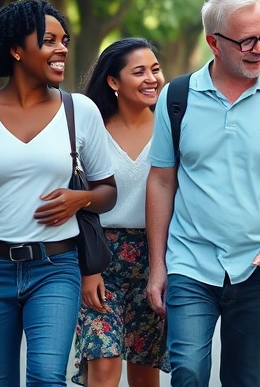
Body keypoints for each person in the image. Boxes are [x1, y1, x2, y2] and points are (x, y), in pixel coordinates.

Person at [145, 0, 260, 387]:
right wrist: (157, 267)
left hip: (258, 264)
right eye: (246, 40)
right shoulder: (176, 97)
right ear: (213, 43)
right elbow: (160, 181)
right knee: (187, 369)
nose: (259, 49)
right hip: (190, 261)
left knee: (245, 378)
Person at [0, 0, 117, 387]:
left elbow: (108, 191)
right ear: (17, 50)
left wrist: (80, 198)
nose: (62, 49)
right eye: (49, 40)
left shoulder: (80, 111)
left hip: (55, 269)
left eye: (64, 40)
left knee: (45, 377)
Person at [72, 38, 170, 386]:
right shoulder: (89, 130)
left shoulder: (170, 129)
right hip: (101, 259)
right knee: (104, 363)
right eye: (139, 72)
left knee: (145, 374)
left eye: (155, 70)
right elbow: (81, 204)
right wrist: (88, 271)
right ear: (113, 81)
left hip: (155, 261)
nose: (151, 79)